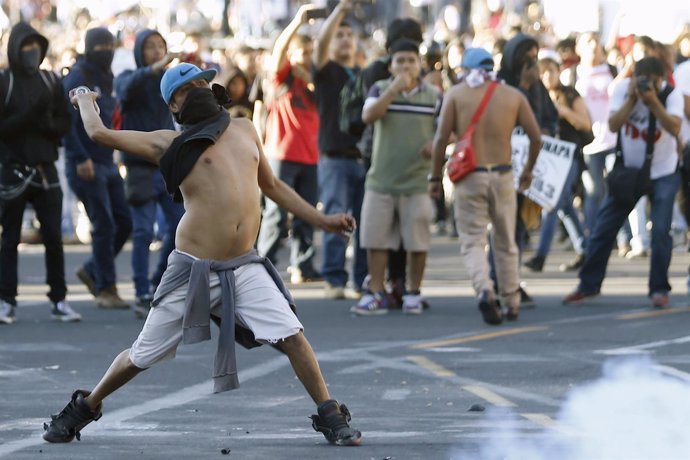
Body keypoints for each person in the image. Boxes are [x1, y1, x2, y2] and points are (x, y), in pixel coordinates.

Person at [42, 63, 362, 446]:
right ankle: (85, 407)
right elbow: (99, 133)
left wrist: (323, 220)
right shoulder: (168, 142)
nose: (197, 89)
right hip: (192, 269)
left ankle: (330, 414)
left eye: (201, 83)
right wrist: (83, 98)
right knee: (142, 354)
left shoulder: (243, 128)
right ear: (173, 106)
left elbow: (273, 186)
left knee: (293, 335)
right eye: (186, 88)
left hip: (244, 266)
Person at [430, 48, 541, 325]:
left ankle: (485, 289)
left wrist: (434, 177)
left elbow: (441, 139)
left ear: (465, 69)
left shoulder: (456, 94)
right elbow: (536, 137)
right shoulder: (512, 96)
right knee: (506, 241)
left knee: (472, 240)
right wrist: (528, 171)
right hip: (502, 175)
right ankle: (512, 301)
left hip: (470, 176)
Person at [563, 57, 683, 308]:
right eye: (642, 81)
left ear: (662, 80)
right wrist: (632, 99)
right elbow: (614, 125)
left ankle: (659, 289)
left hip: (664, 171)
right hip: (629, 172)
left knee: (661, 230)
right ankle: (588, 284)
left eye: (653, 82)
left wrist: (653, 102)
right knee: (604, 228)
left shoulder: (671, 95)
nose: (647, 86)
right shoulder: (621, 90)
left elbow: (674, 127)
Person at [352, 38, 440, 316]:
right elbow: (368, 115)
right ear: (390, 66)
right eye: (399, 61)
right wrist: (392, 90)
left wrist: (438, 144)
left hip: (417, 181)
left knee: (418, 241)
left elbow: (451, 127)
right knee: (375, 240)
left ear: (420, 64)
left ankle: (413, 292)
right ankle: (376, 292)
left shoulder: (434, 95)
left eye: (410, 60)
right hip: (381, 180)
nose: (405, 66)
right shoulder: (380, 88)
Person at [0, 21, 80, 324]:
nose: (31, 52)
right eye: (25, 46)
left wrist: (45, 124)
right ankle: (6, 300)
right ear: (15, 49)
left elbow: (63, 123)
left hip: (46, 169)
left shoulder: (50, 81)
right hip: (13, 171)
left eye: (36, 46)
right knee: (9, 239)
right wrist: (29, 116)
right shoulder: (4, 81)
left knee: (53, 238)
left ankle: (59, 299)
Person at [114, 28, 186, 318]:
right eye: (150, 47)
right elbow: (123, 91)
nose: (157, 51)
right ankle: (141, 291)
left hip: (166, 165)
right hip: (138, 166)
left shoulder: (168, 82)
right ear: (139, 51)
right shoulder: (129, 78)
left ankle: (158, 282)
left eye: (161, 46)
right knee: (143, 230)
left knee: (179, 227)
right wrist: (153, 69)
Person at [63, 27, 132, 310]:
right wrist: (80, 158)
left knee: (123, 222)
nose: (107, 50)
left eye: (110, 45)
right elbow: (67, 123)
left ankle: (93, 270)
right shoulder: (78, 77)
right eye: (101, 46)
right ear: (90, 48)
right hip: (86, 163)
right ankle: (106, 288)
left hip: (106, 161)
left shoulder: (108, 76)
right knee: (103, 224)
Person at [257, 4, 322, 284]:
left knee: (307, 213)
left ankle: (303, 266)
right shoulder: (283, 78)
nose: (307, 58)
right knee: (276, 214)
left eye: (310, 53)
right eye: (302, 53)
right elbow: (279, 52)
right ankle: (262, 268)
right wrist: (297, 22)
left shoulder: (316, 83)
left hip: (311, 157)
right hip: (281, 155)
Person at [314, 0, 368, 299]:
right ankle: (334, 279)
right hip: (334, 158)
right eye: (340, 35)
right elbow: (321, 42)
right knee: (336, 217)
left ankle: (360, 280)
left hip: (361, 158)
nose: (345, 39)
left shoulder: (361, 73)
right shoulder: (325, 71)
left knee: (363, 223)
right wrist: (341, 11)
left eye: (349, 35)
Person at [523, 56, 590, 273]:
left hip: (568, 158)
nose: (547, 76)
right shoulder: (536, 97)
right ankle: (586, 249)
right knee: (565, 207)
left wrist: (564, 112)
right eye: (543, 72)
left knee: (551, 204)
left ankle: (541, 256)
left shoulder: (569, 94)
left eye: (551, 71)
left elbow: (586, 124)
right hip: (547, 159)